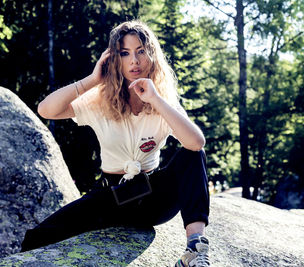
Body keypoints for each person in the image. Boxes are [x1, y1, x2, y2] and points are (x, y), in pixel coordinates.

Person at [21, 20, 210, 267]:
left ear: (151, 55)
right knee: (36, 238)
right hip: (112, 199)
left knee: (192, 156)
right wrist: (92, 80)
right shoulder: (99, 101)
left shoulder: (161, 101)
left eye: (141, 51)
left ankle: (195, 250)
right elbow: (46, 110)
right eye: (125, 53)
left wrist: (155, 99)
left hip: (154, 200)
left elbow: (196, 143)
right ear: (114, 59)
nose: (134, 61)